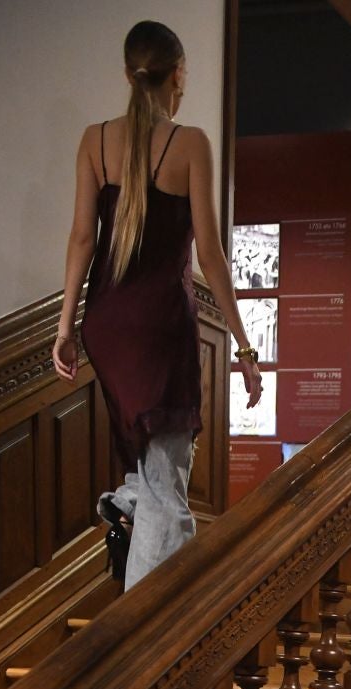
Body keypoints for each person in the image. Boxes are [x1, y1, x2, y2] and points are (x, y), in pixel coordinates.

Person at [53, 21, 263, 589]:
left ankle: (124, 503)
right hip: (161, 330)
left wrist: (66, 327)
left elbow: (81, 238)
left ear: (128, 74)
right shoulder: (191, 144)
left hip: (108, 328)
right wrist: (245, 349)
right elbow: (211, 255)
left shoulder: (94, 141)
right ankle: (145, 625)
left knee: (150, 470)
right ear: (179, 76)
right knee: (167, 492)